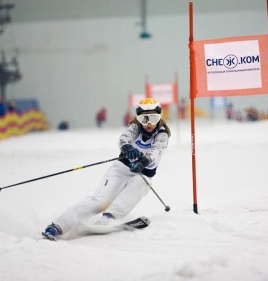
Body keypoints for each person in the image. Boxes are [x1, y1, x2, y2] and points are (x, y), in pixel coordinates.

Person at [42, 98, 171, 240]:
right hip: (121, 170)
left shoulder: (162, 134)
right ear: (138, 118)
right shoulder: (135, 127)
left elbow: (156, 150)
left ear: (160, 117)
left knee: (143, 182)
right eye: (144, 118)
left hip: (142, 173)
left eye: (153, 118)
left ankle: (108, 218)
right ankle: (56, 227)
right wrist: (127, 148)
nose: (149, 123)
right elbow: (123, 139)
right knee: (100, 202)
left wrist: (144, 161)